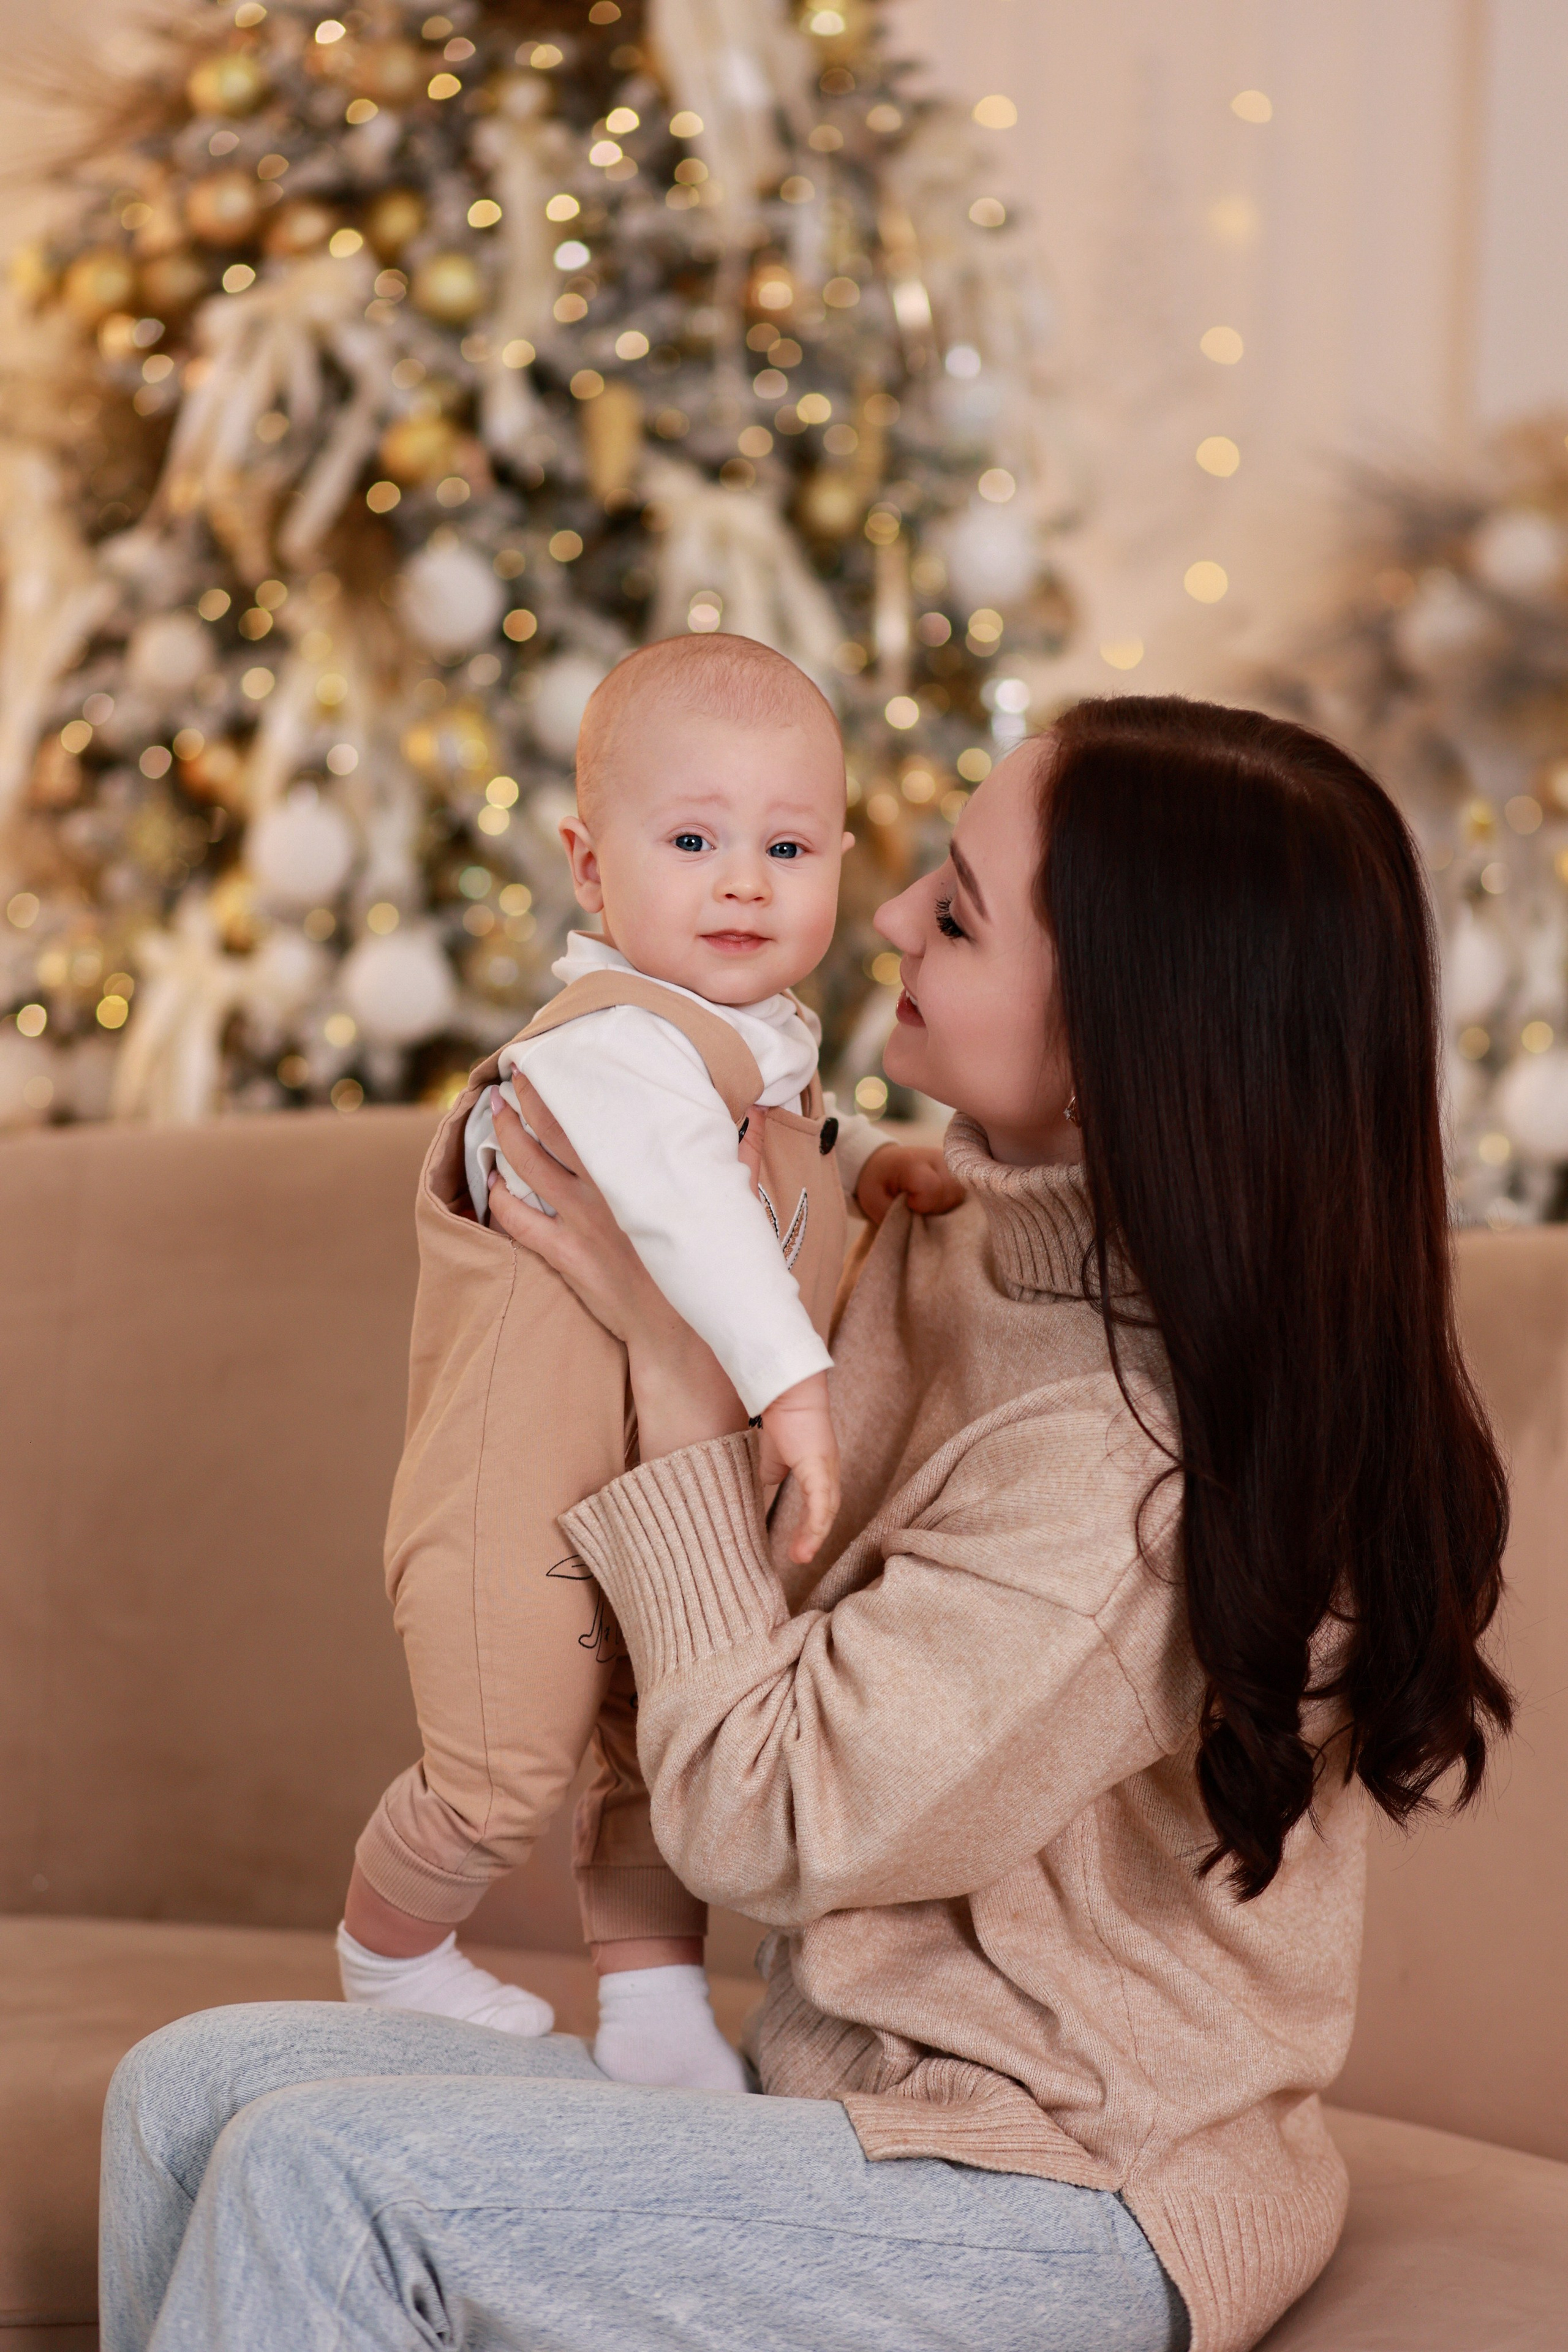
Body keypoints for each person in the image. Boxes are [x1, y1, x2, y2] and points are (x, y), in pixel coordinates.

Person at [100, 697, 1511, 2352]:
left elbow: (764, 1817)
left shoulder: (1128, 1475)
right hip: (848, 2101)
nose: (892, 912)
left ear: (1131, 1036)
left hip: (1058, 2189)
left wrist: (684, 1383)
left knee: (321, 2178)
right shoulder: (962, 1224)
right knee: (186, 2090)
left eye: (963, 913)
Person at [339, 631, 958, 2088]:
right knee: (501, 1772)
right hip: (523, 1494)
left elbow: (770, 1150)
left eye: (787, 844)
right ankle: (392, 1952)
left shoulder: (765, 1048)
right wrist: (795, 1387)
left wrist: (863, 1166)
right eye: (691, 838)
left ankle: (654, 2002)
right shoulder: (605, 1048)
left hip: (664, 1483)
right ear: (589, 864)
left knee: (653, 1746)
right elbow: (688, 1200)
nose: (743, 879)